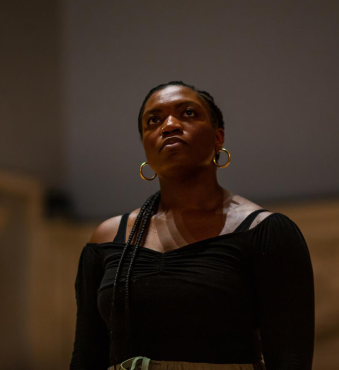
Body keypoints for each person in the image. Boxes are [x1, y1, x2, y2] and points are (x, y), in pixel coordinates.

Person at [70, 81, 315, 370]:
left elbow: (291, 359)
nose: (170, 125)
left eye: (187, 113)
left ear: (218, 138)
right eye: (154, 120)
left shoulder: (265, 231)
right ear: (145, 147)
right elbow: (87, 355)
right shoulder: (107, 237)